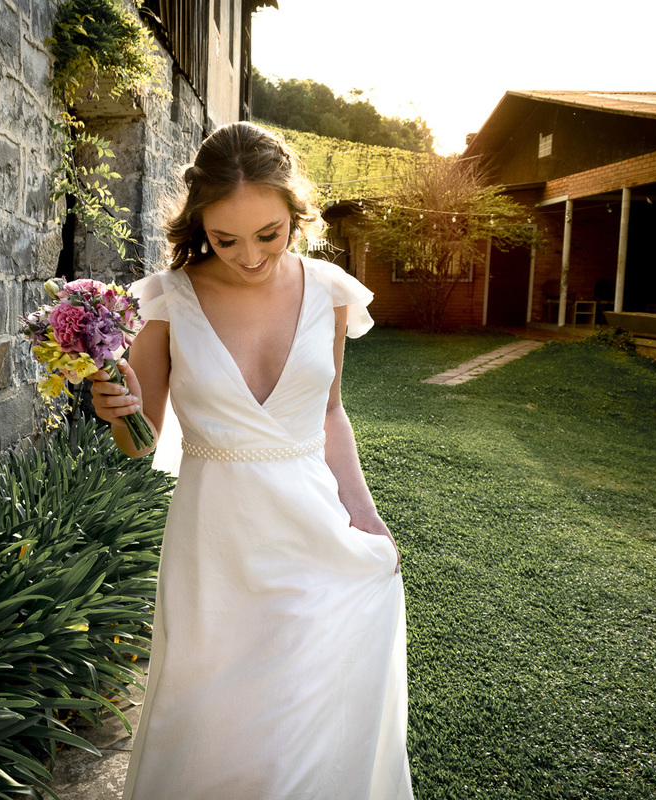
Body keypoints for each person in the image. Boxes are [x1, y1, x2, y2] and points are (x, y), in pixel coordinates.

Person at [90, 121, 413, 800]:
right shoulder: (165, 302)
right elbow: (141, 440)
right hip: (217, 550)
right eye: (225, 238)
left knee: (297, 730)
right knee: (216, 724)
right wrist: (117, 410)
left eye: (269, 234)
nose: (249, 255)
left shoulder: (329, 291)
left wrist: (366, 514)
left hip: (312, 534)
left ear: (296, 211)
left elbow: (329, 413)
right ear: (197, 221)